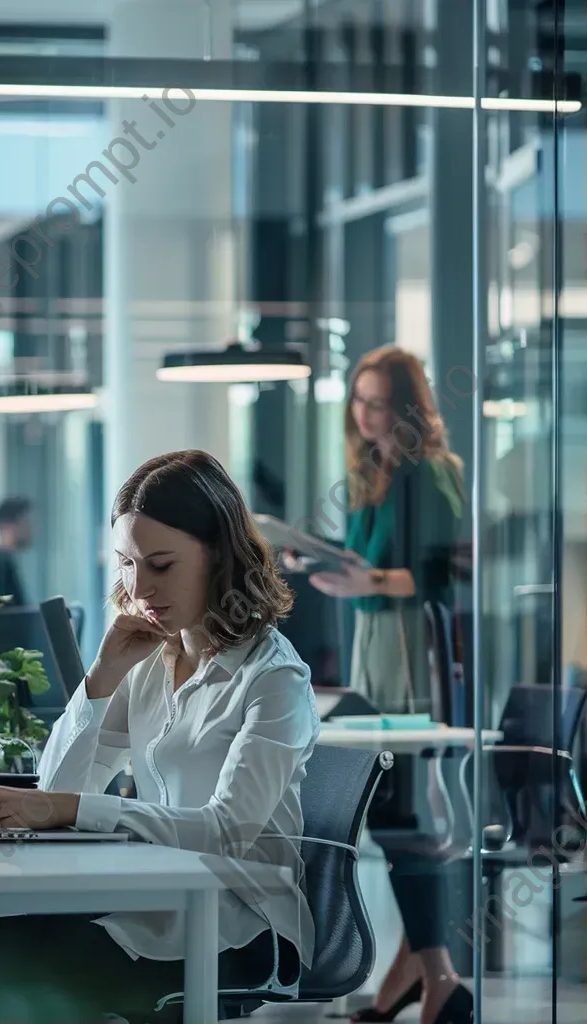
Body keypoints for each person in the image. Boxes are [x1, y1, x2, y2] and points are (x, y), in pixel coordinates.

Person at [0, 450, 320, 1023]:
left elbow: (227, 832)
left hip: (242, 925)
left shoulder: (274, 678)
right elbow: (55, 788)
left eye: (161, 564)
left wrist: (77, 808)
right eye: (127, 565)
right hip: (150, 901)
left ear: (218, 557)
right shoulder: (152, 660)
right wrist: (102, 678)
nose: (141, 587)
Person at [289, 346, 471, 1024]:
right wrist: (320, 562)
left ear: (408, 408)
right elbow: (364, 565)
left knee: (399, 814)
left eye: (380, 402)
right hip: (372, 640)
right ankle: (420, 974)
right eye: (359, 401)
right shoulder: (372, 473)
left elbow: (443, 573)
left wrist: (367, 580)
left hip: (409, 644)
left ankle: (439, 976)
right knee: (395, 812)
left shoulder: (431, 474)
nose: (366, 415)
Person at [0, 495, 34, 605]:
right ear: (7, 525)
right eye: (26, 522)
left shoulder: (4, 562)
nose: (31, 529)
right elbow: (10, 614)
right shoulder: (0, 566)